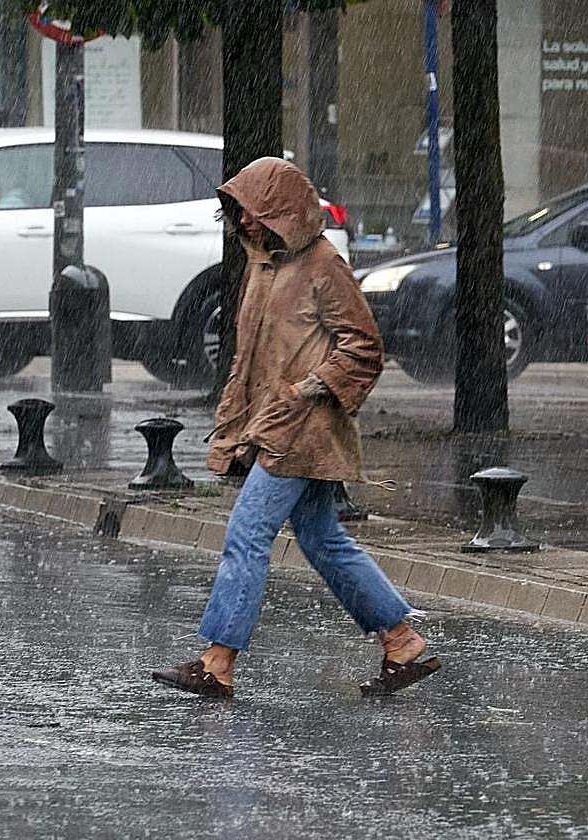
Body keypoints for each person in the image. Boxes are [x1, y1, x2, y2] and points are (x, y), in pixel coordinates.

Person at [151, 157, 441, 700]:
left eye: (254, 213)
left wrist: (312, 386)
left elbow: (363, 345)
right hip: (275, 423)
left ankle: (218, 662)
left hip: (303, 427)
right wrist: (235, 420)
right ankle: (401, 642)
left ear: (282, 211)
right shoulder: (265, 266)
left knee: (247, 534)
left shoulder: (322, 265)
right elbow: (249, 356)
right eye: (238, 214)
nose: (244, 224)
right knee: (323, 539)